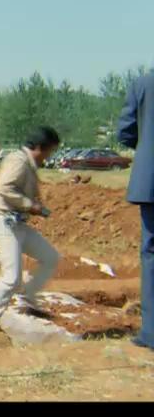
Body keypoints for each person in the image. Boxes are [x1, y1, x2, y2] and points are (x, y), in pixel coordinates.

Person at [0, 126, 61, 332]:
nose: (48, 157)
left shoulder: (27, 162)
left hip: (17, 224)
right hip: (4, 224)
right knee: (12, 277)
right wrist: (30, 205)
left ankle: (29, 296)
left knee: (50, 257)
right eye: (49, 151)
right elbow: (3, 188)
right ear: (38, 147)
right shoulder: (18, 161)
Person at [117, 71, 154, 351]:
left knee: (152, 255)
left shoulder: (144, 83)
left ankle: (151, 333)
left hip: (151, 181)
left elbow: (126, 131)